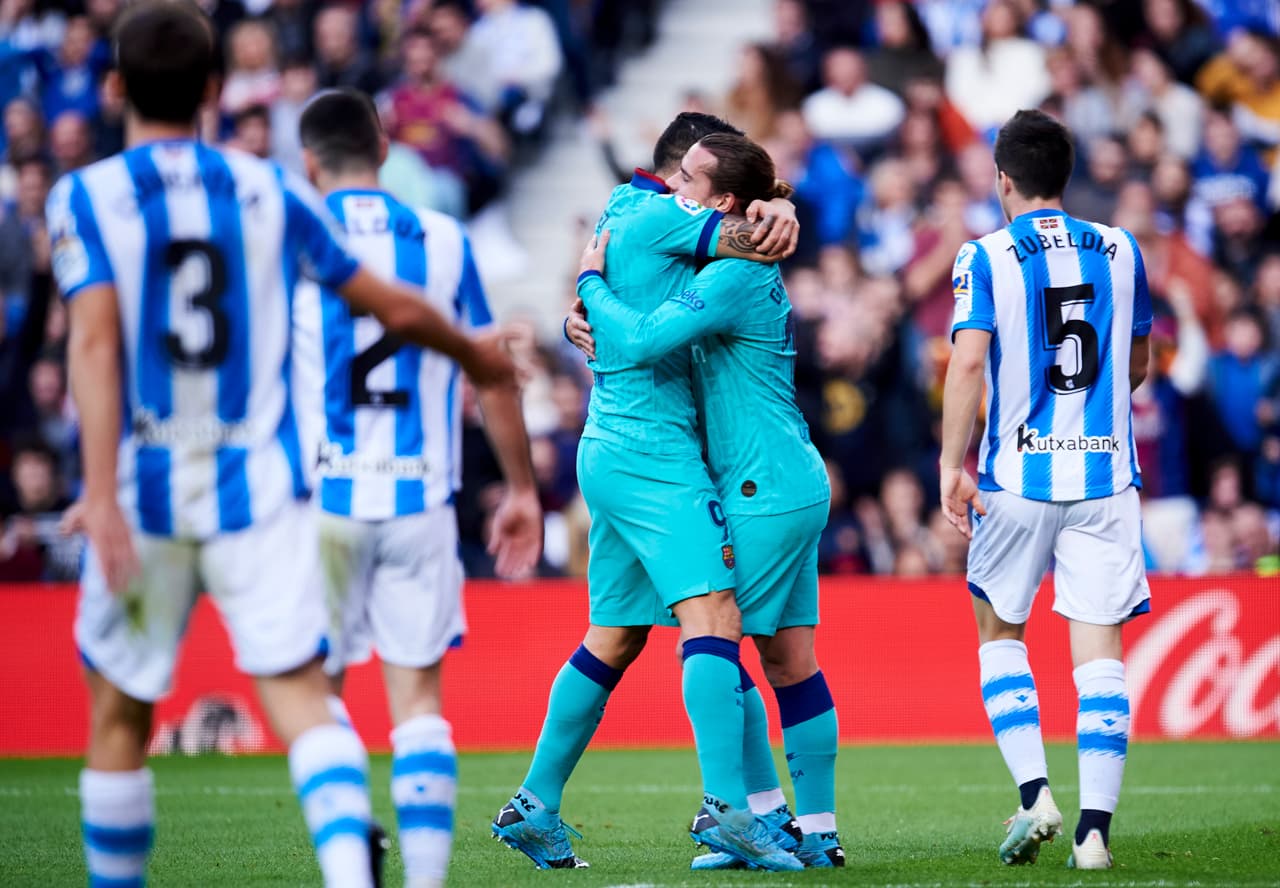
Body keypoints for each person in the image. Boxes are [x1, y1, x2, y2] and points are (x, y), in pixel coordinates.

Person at [45, 4, 514, 887]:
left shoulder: (85, 195)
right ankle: (350, 873)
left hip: (146, 493)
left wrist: (98, 489)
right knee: (303, 702)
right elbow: (388, 302)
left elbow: (96, 345)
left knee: (119, 719)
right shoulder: (270, 191)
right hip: (256, 492)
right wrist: (471, 351)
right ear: (216, 89)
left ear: (112, 88)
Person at [492, 112, 802, 872]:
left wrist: (584, 301)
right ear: (682, 176)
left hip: (608, 444)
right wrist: (779, 211)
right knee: (716, 615)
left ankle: (534, 804)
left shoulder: (623, 208)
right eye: (692, 175)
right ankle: (730, 810)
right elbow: (757, 241)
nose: (688, 188)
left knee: (615, 634)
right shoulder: (669, 214)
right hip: (654, 451)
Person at [291, 87, 542, 888]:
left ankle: (348, 863)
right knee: (419, 702)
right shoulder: (441, 238)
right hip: (419, 497)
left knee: (317, 695)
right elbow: (491, 373)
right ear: (385, 148)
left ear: (308, 162)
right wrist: (521, 488)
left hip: (323, 502)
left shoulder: (289, 235)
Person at [574, 131, 844, 869]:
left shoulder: (730, 272)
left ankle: (750, 817)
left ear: (723, 201)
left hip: (760, 484)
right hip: (788, 478)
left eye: (688, 178)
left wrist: (589, 285)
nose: (674, 187)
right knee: (789, 660)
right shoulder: (723, 257)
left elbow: (639, 339)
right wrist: (577, 320)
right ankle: (816, 832)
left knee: (712, 639)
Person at [940, 109, 1152, 871]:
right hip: (1106, 478)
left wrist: (951, 464)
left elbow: (969, 362)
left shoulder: (985, 254)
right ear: (1067, 174)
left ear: (1003, 180)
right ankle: (1094, 835)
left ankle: (1036, 796)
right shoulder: (1123, 249)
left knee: (1000, 635)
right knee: (1100, 654)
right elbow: (1136, 362)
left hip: (1017, 479)